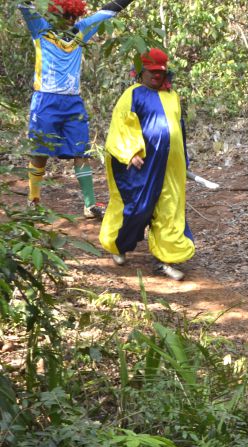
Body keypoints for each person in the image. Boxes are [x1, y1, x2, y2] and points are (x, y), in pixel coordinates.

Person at [19, 0, 135, 218]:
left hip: (73, 102)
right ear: (55, 15)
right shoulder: (40, 29)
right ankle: (33, 201)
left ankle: (89, 205)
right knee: (40, 152)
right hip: (45, 101)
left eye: (74, 17)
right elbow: (25, 5)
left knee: (81, 151)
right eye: (66, 17)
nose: (70, 21)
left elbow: (108, 11)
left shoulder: (82, 31)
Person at [99, 48, 195, 281]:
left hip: (170, 166)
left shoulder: (172, 96)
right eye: (151, 72)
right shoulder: (132, 95)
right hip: (142, 167)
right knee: (136, 208)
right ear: (140, 73)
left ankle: (167, 259)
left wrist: (184, 160)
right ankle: (118, 245)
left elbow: (178, 129)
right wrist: (130, 152)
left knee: (170, 209)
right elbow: (122, 126)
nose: (156, 76)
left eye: (159, 72)